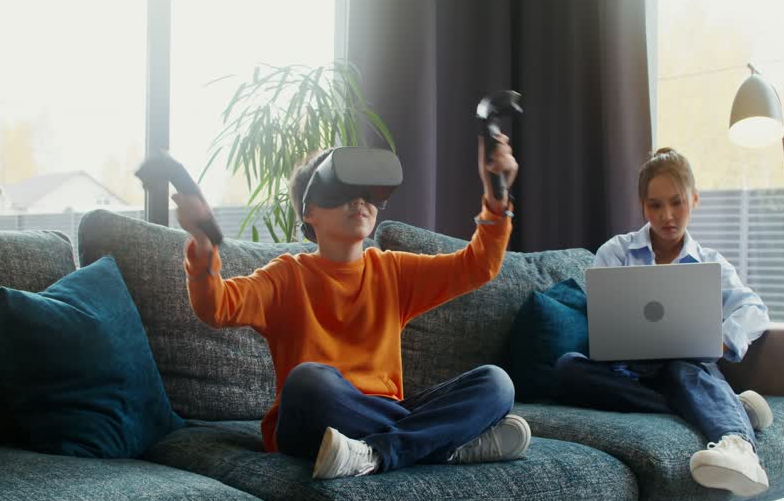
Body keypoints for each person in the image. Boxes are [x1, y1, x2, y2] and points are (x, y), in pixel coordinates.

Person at [172, 137, 530, 480]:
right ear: (310, 211)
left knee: (496, 384)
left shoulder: (394, 272)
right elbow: (216, 306)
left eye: (367, 192)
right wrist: (203, 243)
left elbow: (478, 265)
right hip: (315, 418)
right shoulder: (285, 277)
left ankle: (377, 453)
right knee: (308, 381)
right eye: (342, 191)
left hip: (381, 412)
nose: (359, 201)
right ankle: (441, 444)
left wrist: (495, 194)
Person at [554, 147, 773, 497]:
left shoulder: (709, 263)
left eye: (677, 202)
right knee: (568, 368)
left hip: (683, 368)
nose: (667, 215)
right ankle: (731, 407)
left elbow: (754, 308)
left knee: (681, 371)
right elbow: (601, 317)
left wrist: (724, 339)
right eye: (655, 205)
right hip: (626, 372)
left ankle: (739, 446)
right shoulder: (615, 252)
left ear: (695, 200)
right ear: (643, 206)